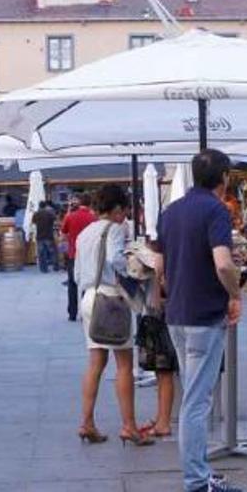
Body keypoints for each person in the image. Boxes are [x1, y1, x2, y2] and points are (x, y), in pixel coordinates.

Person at [158, 149, 243, 492]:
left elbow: (161, 267)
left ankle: (199, 472)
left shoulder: (171, 211)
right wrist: (235, 294)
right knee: (197, 402)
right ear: (224, 178)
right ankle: (196, 480)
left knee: (192, 397)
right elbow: (223, 263)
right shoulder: (215, 210)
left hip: (177, 313)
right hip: (204, 316)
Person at [72, 184, 152, 447]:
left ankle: (86, 422)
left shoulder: (85, 233)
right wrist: (133, 269)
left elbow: (75, 273)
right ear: (117, 209)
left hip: (88, 297)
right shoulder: (115, 229)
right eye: (125, 211)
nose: (125, 216)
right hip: (110, 299)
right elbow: (115, 260)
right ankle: (129, 426)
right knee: (125, 365)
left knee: (95, 362)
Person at [62, 193, 96, 322]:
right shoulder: (93, 218)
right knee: (87, 283)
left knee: (72, 283)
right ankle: (85, 312)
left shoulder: (70, 216)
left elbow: (64, 232)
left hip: (73, 254)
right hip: (89, 254)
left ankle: (72, 313)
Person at [33, 201, 59, 273]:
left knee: (41, 254)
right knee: (53, 252)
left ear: (39, 206)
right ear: (45, 206)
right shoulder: (49, 213)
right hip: (48, 235)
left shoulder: (36, 214)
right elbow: (55, 219)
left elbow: (33, 222)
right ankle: (55, 267)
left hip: (40, 236)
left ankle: (44, 269)